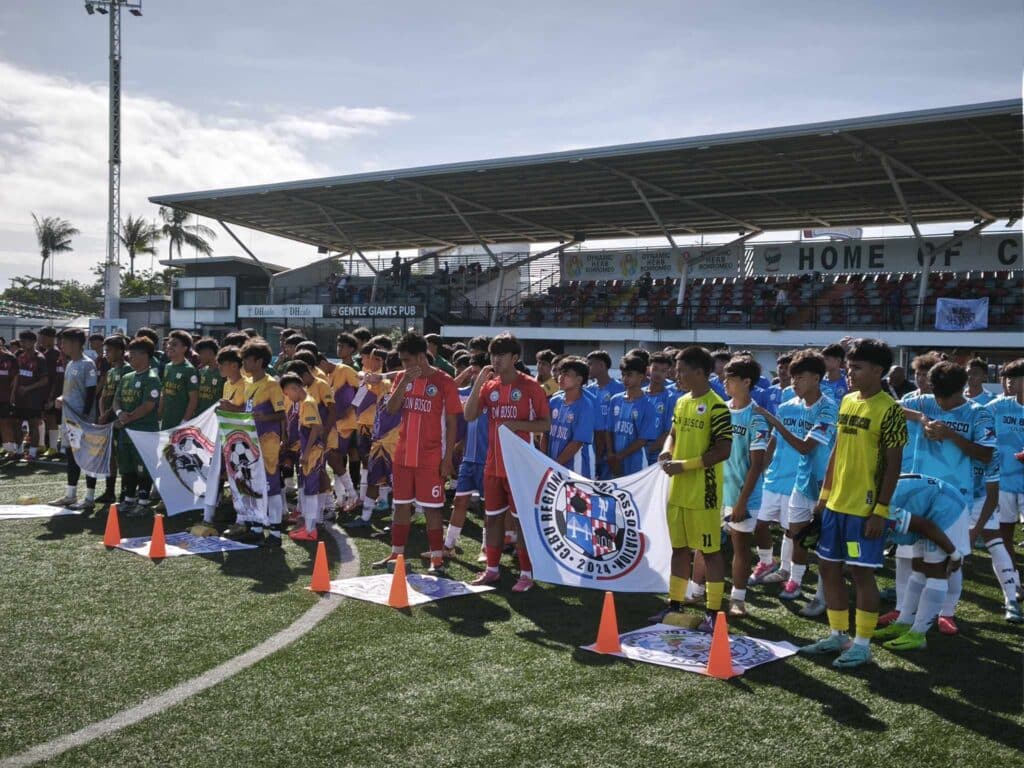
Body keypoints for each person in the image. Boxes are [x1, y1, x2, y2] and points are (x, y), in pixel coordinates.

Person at [800, 338, 907, 670]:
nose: (850, 373)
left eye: (857, 367)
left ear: (878, 370)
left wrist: (881, 510)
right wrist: (824, 496)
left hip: (864, 511)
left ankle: (862, 645)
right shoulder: (846, 400)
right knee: (828, 567)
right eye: (849, 367)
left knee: (861, 573)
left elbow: (893, 465)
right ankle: (837, 635)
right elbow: (836, 451)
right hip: (835, 506)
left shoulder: (890, 409)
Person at [892, 361, 994, 634]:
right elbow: (891, 408)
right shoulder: (925, 402)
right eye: (936, 395)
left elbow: (986, 454)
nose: (940, 402)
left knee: (950, 558)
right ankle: (908, 616)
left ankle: (946, 613)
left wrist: (951, 435)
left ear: (961, 390)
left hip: (954, 497)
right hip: (919, 494)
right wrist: (919, 418)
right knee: (917, 558)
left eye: (946, 397)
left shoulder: (979, 414)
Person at [652, 346, 732, 631]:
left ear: (699, 372)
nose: (677, 375)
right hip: (678, 490)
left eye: (681, 371)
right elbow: (673, 434)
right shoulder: (682, 401)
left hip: (703, 494)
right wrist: (666, 449)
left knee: (709, 552)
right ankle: (674, 604)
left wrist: (684, 465)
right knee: (679, 549)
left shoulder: (717, 406)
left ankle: (713, 611)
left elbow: (723, 451)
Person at [465, 332, 551, 592]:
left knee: (521, 521)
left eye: (501, 355)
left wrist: (517, 424)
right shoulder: (489, 386)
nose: (496, 360)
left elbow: (545, 424)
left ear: (514, 357)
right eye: (493, 355)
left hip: (520, 468)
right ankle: (492, 570)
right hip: (493, 466)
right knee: (492, 519)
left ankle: (526, 573)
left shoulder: (531, 386)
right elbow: (469, 415)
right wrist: (479, 381)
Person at [756, 350, 838, 612]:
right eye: (792, 378)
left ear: (816, 378)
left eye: (799, 377)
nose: (793, 383)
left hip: (825, 484)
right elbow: (778, 442)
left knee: (825, 545)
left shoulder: (828, 408)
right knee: (798, 534)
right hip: (801, 481)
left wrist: (776, 423)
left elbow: (805, 447)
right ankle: (795, 580)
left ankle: (823, 595)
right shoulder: (791, 404)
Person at [376, 331, 461, 574]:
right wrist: (404, 382)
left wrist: (447, 459)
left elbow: (452, 424)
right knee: (401, 505)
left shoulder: (444, 381)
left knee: (433, 508)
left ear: (422, 357)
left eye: (408, 360)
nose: (404, 365)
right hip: (403, 455)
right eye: (402, 361)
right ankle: (396, 554)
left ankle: (437, 558)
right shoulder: (401, 378)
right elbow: (391, 409)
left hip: (431, 457)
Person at [871, 475, 968, 650]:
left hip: (946, 507)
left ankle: (918, 634)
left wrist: (954, 554)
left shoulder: (880, 511)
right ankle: (904, 622)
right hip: (926, 507)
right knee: (918, 567)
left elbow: (927, 527)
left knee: (936, 570)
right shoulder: (862, 506)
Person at [717, 355, 770, 617]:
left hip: (742, 496)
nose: (724, 383)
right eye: (724, 378)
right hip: (717, 492)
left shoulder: (757, 417)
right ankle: (697, 590)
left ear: (747, 382)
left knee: (740, 548)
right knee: (706, 545)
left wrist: (741, 502)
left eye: (730, 379)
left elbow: (757, 465)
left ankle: (737, 599)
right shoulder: (721, 409)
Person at [238, 338, 287, 546]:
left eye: (247, 360)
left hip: (268, 443)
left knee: (271, 486)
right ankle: (257, 527)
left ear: (258, 361)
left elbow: (282, 414)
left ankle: (275, 533)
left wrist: (265, 418)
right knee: (253, 483)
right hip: (251, 442)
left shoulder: (271, 384)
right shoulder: (248, 383)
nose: (243, 364)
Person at [987, 359, 1024, 605]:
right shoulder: (998, 407)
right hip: (1003, 482)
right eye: (1007, 377)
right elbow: (975, 417)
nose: (1010, 382)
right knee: (1004, 535)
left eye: (1016, 377)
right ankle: (1015, 584)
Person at [49, 329, 98, 510]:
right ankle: (70, 495)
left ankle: (90, 497)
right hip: (69, 419)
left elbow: (91, 392)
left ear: (76, 343)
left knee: (87, 458)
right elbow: (71, 390)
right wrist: (61, 398)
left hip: (82, 421)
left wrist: (85, 416)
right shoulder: (70, 364)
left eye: (64, 342)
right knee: (71, 457)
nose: (61, 346)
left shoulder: (88, 364)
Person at [112, 337, 162, 516]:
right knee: (127, 467)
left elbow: (148, 405)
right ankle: (129, 499)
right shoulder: (127, 377)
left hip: (144, 432)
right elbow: (116, 400)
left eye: (132, 354)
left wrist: (128, 418)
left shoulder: (152, 378)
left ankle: (143, 502)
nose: (129, 356)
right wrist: (120, 414)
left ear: (145, 355)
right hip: (126, 432)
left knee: (143, 467)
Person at [280, 372, 328, 542]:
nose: (288, 397)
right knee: (309, 489)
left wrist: (306, 453)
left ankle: (310, 529)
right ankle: (309, 526)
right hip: (311, 451)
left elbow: (316, 428)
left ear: (294, 388)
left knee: (310, 490)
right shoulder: (305, 402)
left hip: (312, 453)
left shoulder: (307, 403)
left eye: (287, 393)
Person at [605, 354, 659, 478]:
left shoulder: (648, 405)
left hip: (636, 463)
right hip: (615, 461)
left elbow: (643, 439)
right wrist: (610, 454)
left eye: (629, 375)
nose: (625, 378)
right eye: (623, 374)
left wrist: (620, 456)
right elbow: (609, 430)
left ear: (641, 377)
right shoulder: (615, 400)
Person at [543, 356, 596, 477]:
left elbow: (577, 443)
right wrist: (544, 460)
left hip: (577, 470)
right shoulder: (554, 401)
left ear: (579, 380)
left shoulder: (586, 406)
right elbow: (545, 433)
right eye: (561, 373)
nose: (561, 377)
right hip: (553, 468)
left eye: (566, 375)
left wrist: (555, 465)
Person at [327, 334, 362, 511]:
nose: (339, 349)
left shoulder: (353, 368)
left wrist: (351, 408)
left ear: (352, 349)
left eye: (343, 346)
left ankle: (354, 488)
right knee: (339, 455)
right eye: (338, 346)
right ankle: (341, 493)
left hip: (354, 420)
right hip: (338, 422)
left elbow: (363, 389)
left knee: (354, 452)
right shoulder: (334, 369)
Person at [585, 350, 624, 480]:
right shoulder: (589, 390)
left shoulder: (620, 388)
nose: (587, 367)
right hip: (594, 444)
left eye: (590, 364)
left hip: (613, 445)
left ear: (602, 365)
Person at [12, 329, 49, 462]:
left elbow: (44, 380)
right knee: (17, 424)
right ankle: (19, 451)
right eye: (21, 341)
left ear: (33, 342)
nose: (22, 344)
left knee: (33, 425)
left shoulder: (40, 358)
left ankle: (32, 453)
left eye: (25, 341)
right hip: (19, 399)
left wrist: (27, 388)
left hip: (34, 399)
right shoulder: (18, 355)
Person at [644, 352, 679, 464]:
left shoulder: (671, 398)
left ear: (668, 373)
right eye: (655, 369)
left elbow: (669, 431)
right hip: (635, 451)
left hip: (656, 454)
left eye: (663, 371)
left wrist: (649, 449)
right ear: (648, 369)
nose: (658, 373)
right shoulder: (639, 394)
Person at [160, 330, 199, 431]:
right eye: (169, 344)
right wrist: (159, 414)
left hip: (180, 424)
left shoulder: (189, 370)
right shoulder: (168, 367)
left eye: (174, 344)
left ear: (184, 348)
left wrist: (184, 421)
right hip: (166, 421)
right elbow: (164, 393)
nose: (169, 347)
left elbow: (193, 399)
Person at [37, 326, 63, 459]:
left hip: (52, 393)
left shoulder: (55, 354)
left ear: (50, 338)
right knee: (44, 418)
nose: (40, 340)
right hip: (44, 392)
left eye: (42, 337)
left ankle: (53, 447)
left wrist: (51, 397)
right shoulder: (45, 352)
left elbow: (54, 378)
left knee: (52, 419)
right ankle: (43, 445)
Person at [195, 337, 224, 414]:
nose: (198, 356)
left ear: (210, 352)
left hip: (215, 416)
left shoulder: (224, 373)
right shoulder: (201, 371)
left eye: (200, 353)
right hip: (201, 415)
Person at [0, 339, 17, 460]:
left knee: (6, 423)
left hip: (5, 397)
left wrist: (12, 394)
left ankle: (11, 450)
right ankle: (8, 448)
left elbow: (15, 377)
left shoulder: (10, 358)